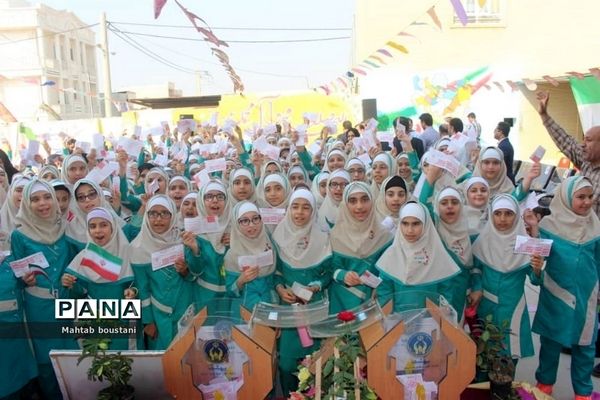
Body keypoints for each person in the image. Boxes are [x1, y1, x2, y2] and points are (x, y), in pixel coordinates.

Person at [532, 177, 600, 399]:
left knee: (585, 345)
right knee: (551, 343)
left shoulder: (596, 226)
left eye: (590, 197)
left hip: (587, 296)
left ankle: (583, 392)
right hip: (555, 294)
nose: (587, 202)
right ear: (566, 198)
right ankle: (544, 385)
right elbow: (536, 268)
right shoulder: (548, 228)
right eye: (580, 197)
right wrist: (536, 269)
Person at [13, 179, 78, 399]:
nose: (43, 203)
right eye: (35, 199)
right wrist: (25, 280)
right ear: (26, 204)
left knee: (72, 355)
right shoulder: (19, 235)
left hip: (68, 302)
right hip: (38, 306)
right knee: (46, 357)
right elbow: (17, 273)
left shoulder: (65, 228)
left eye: (47, 197)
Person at [469, 194, 544, 364]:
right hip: (484, 304)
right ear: (491, 214)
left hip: (513, 306)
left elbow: (535, 280)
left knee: (508, 354)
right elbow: (475, 269)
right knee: (481, 351)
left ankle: (503, 388)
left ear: (517, 216)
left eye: (509, 214)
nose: (502, 219)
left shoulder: (525, 244)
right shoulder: (482, 240)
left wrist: (538, 269)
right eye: (498, 213)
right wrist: (477, 287)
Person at [272, 188, 332, 395]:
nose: (300, 212)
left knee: (316, 363)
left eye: (306, 207)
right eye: (295, 207)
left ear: (313, 211)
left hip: (314, 309)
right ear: (288, 209)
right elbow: (275, 271)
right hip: (289, 311)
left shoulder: (323, 238)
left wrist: (317, 284)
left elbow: (329, 272)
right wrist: (280, 289)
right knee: (287, 364)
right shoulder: (277, 237)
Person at [61, 207, 139, 350]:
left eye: (103, 225)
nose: (98, 230)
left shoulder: (128, 252)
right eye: (92, 226)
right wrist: (70, 284)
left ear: (113, 227)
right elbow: (79, 293)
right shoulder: (84, 256)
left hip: (123, 318)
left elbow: (139, 283)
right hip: (94, 319)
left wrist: (133, 291)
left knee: (125, 360)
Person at [129, 195, 198, 350]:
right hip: (158, 313)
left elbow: (195, 276)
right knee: (161, 354)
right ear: (146, 216)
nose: (158, 219)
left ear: (173, 216)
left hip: (185, 308)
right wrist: (148, 321)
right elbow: (143, 289)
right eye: (153, 213)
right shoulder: (138, 248)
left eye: (164, 213)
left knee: (186, 354)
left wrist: (186, 271)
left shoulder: (183, 240)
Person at [375, 201, 460, 312]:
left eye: (416, 224)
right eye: (405, 223)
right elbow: (385, 294)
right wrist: (390, 321)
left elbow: (445, 295)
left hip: (431, 322)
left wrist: (441, 320)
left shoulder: (437, 254)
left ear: (426, 224)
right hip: (397, 322)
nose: (409, 230)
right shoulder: (392, 254)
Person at [329, 182, 393, 312]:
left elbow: (389, 272)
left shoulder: (385, 236)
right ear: (345, 205)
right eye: (353, 201)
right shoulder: (335, 236)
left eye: (365, 200)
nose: (359, 206)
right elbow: (329, 269)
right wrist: (343, 275)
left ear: (372, 201)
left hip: (374, 301)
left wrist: (380, 286)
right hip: (341, 302)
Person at [536, 91, 600, 216]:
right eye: (583, 139)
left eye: (589, 140)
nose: (582, 144)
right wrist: (544, 115)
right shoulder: (585, 160)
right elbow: (564, 140)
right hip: (577, 230)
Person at [223, 201, 277, 319]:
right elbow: (229, 291)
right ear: (236, 224)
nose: (251, 225)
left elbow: (276, 279)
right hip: (243, 313)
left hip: (269, 309)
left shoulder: (270, 246)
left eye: (255, 219)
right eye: (244, 221)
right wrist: (241, 281)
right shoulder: (231, 255)